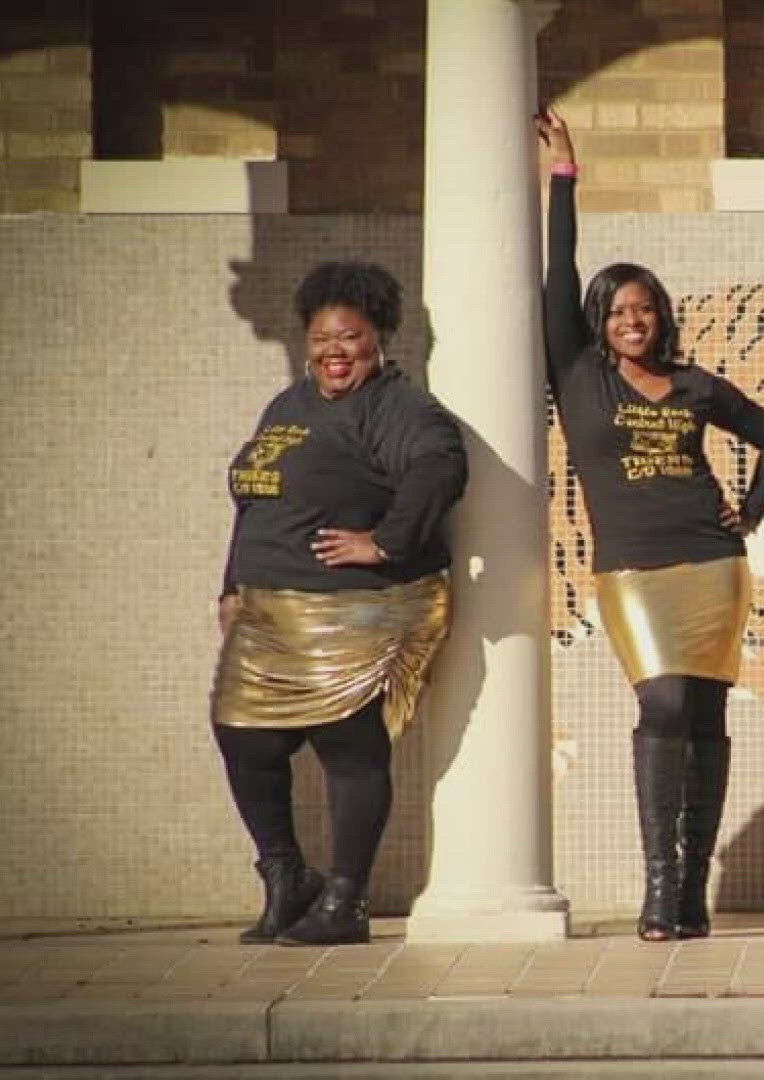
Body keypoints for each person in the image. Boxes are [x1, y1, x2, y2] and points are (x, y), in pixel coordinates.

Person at [537, 110, 764, 941]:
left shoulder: (694, 386)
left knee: (710, 715)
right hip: (635, 570)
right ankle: (658, 884)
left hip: (712, 561)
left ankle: (691, 896)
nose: (631, 322)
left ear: (661, 315)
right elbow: (557, 274)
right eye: (615, 313)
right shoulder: (579, 377)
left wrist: (747, 513)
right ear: (598, 325)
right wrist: (565, 175)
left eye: (643, 310)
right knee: (665, 703)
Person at [211, 261, 466, 947]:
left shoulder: (396, 407)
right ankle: (287, 879)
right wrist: (231, 586)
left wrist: (383, 543)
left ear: (378, 339)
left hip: (351, 610)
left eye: (348, 337)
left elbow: (439, 465)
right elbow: (253, 499)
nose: (332, 350)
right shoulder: (287, 406)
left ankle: (346, 902)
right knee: (242, 738)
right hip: (266, 613)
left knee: (349, 750)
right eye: (320, 337)